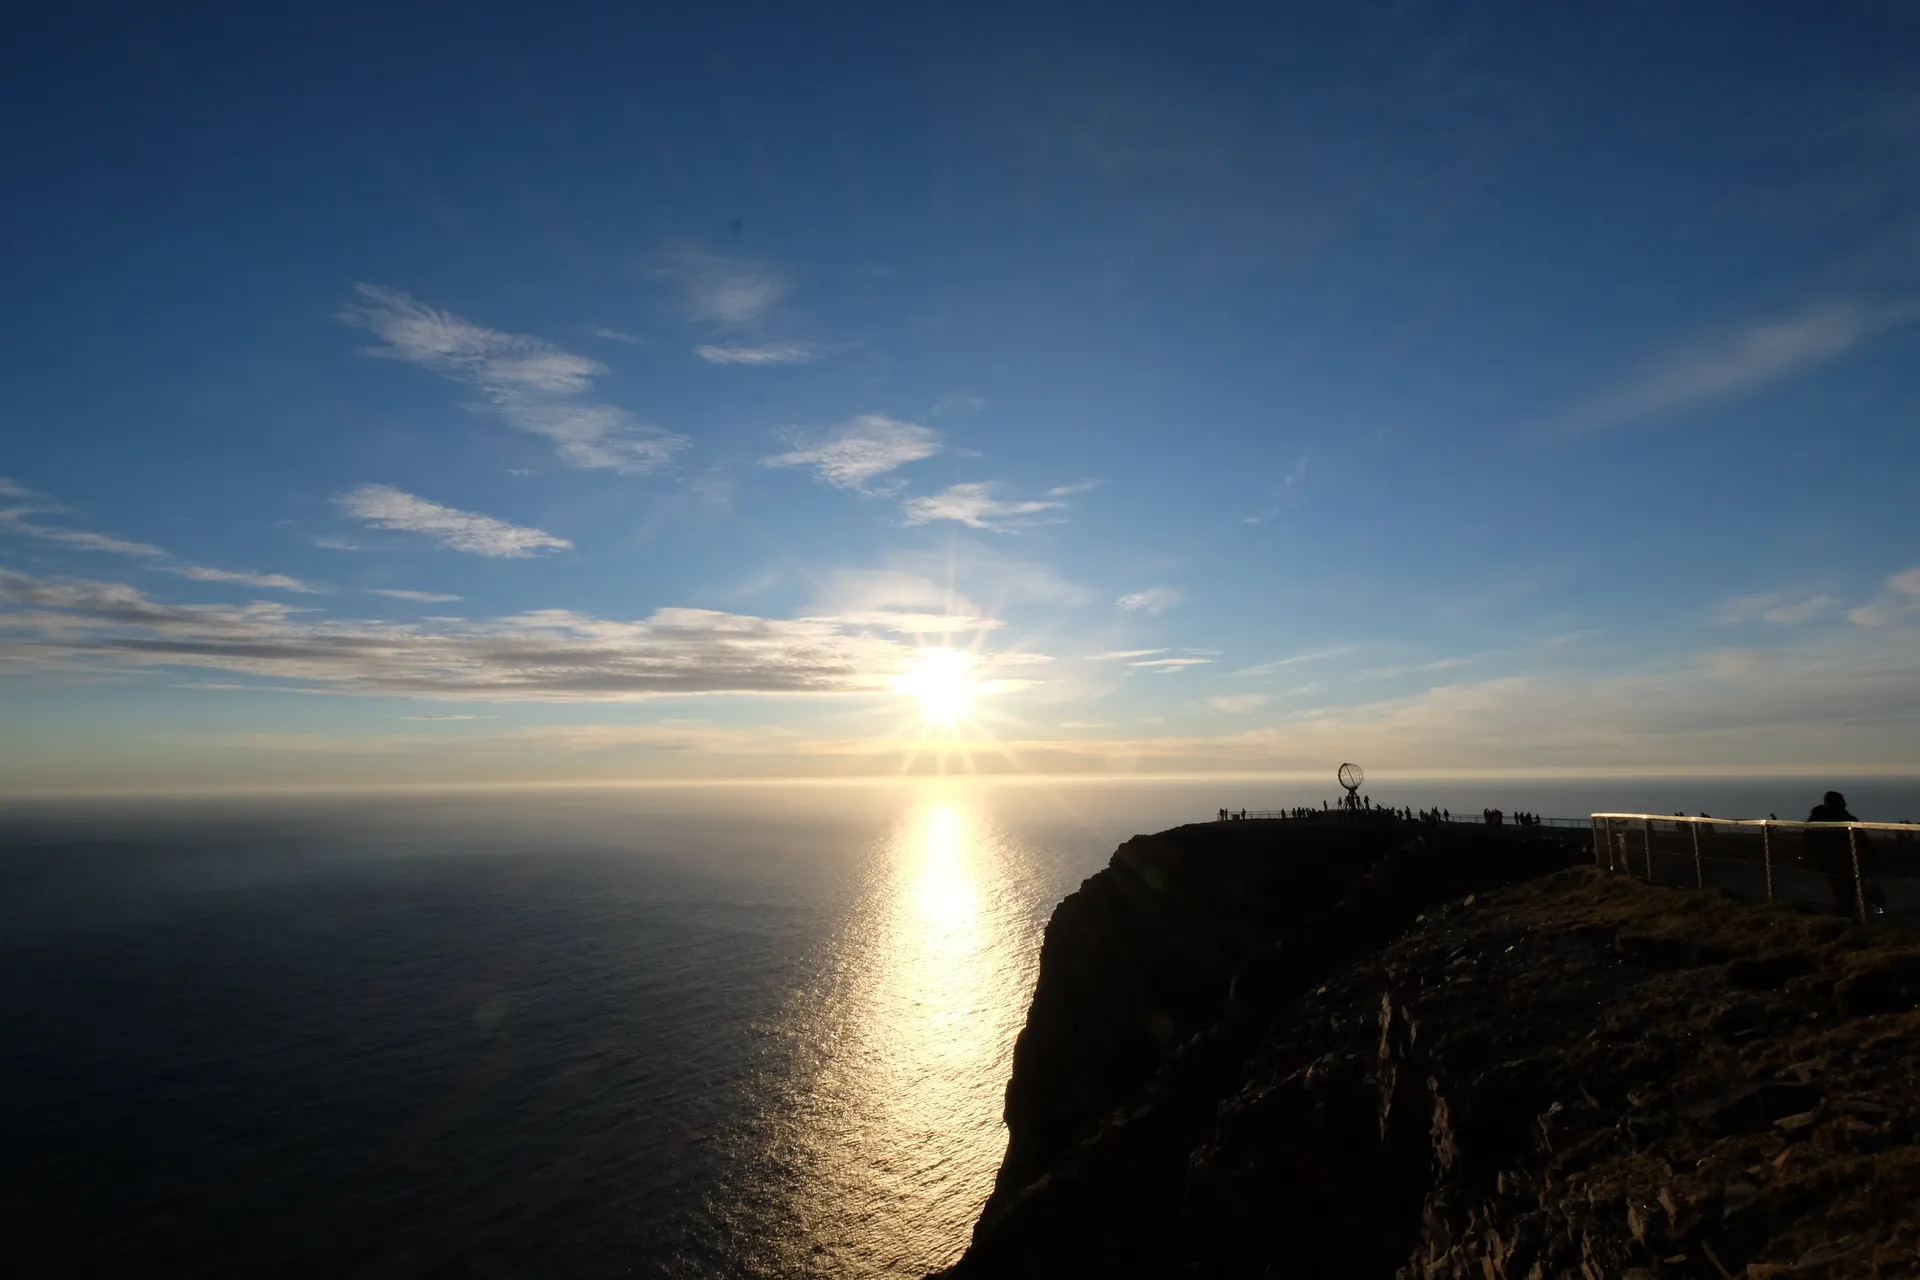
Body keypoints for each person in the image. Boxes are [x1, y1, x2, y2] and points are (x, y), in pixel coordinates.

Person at [1804, 790, 1865, 917]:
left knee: (1845, 889)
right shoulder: (1844, 820)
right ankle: (1843, 915)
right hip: (1836, 860)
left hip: (1839, 860)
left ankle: (1844, 914)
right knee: (1843, 889)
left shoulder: (1818, 820)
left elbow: (1807, 838)